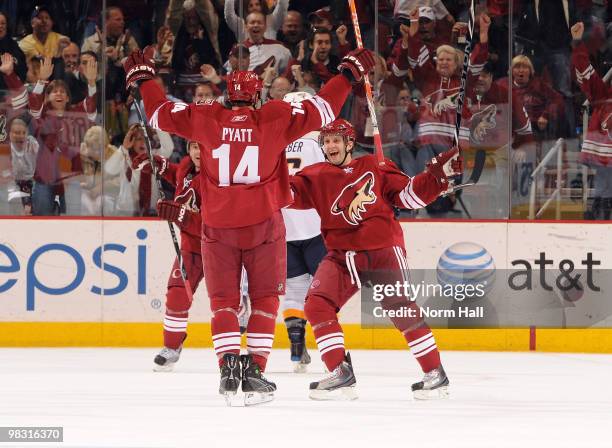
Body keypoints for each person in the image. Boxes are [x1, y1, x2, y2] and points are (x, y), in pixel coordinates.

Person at [124, 45, 375, 404]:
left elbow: (160, 113)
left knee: (224, 304)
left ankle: (228, 367)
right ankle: (254, 372)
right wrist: (348, 75)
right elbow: (324, 107)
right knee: (263, 302)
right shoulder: (273, 117)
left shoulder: (206, 117)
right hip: (263, 227)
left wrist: (147, 79)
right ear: (256, 96)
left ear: (228, 95)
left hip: (217, 227)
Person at [288, 119, 461, 400]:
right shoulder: (315, 175)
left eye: (336, 140)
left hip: (381, 250)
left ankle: (435, 373)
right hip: (341, 256)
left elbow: (409, 198)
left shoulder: (374, 165)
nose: (331, 145)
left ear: (349, 143)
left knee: (401, 308)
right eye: (327, 141)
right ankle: (340, 372)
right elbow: (285, 195)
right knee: (317, 304)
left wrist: (436, 177)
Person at [132, 141, 204, 370]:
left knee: (231, 305)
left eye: (203, 147)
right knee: (176, 292)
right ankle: (172, 347)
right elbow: (178, 176)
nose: (198, 152)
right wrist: (159, 164)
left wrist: (181, 215)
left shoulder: (219, 177)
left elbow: (218, 223)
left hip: (222, 250)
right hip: (191, 248)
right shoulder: (187, 166)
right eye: (194, 147)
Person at [280, 91, 327, 373]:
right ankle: (332, 348)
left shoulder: (271, 142)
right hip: (316, 227)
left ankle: (297, 348)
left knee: (294, 291)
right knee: (324, 292)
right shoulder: (317, 143)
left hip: (284, 230)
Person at [570, 22, 612, 219]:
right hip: (605, 155)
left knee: (603, 186)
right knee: (603, 184)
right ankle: (595, 219)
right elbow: (585, 70)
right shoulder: (604, 95)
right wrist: (577, 42)